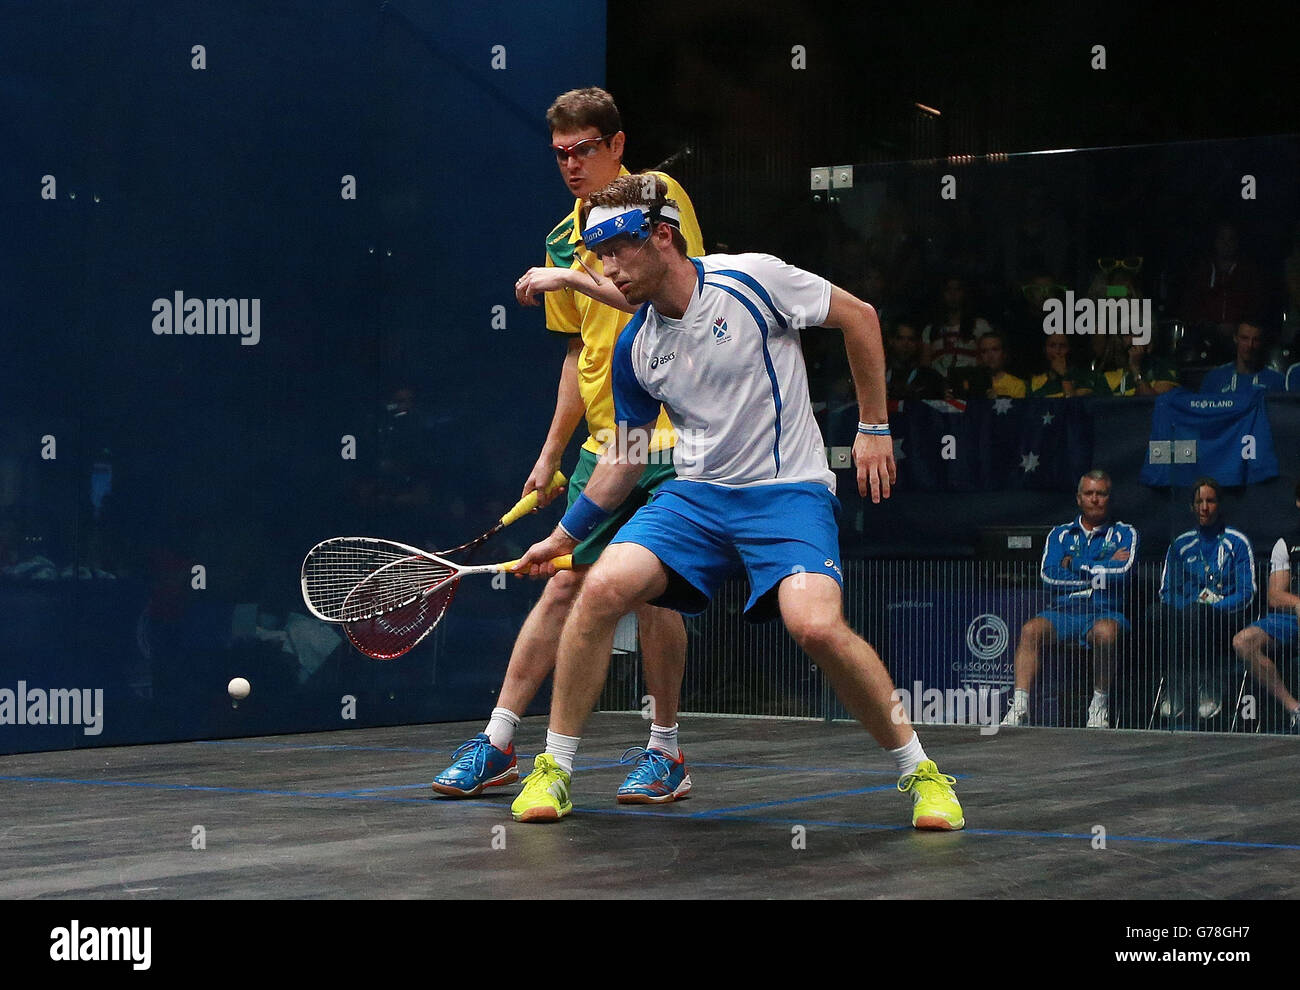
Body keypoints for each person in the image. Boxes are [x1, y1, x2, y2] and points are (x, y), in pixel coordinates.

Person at [507, 174, 964, 829]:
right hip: (696, 499)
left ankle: (922, 773)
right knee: (601, 586)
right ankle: (554, 769)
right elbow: (625, 459)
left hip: (786, 493)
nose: (608, 270)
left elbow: (859, 317)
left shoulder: (752, 280)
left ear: (662, 238)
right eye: (596, 258)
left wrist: (872, 426)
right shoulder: (636, 348)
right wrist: (564, 536)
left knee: (815, 626)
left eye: (617, 253)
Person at [430, 87, 705, 804]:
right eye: (561, 154)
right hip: (602, 444)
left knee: (655, 595)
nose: (572, 165)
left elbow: (667, 298)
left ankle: (665, 750)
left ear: (616, 145)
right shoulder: (561, 236)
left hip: (674, 436)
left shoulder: (658, 202)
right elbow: (577, 356)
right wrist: (549, 456)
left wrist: (567, 275)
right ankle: (497, 742)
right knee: (561, 583)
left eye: (585, 149)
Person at [1002, 471, 1137, 728]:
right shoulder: (1060, 535)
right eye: (1089, 493)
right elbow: (1049, 577)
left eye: (1101, 494)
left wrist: (1073, 563)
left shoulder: (1125, 533)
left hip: (1104, 610)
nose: (1095, 499)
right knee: (1031, 630)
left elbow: (1123, 573)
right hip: (1063, 611)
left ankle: (1099, 707)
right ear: (1078, 499)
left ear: (1110, 498)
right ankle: (1019, 708)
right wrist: (1102, 569)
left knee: (1106, 633)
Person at [1156, 478, 1255, 727]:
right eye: (1199, 502)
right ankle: (1176, 683)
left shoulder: (1237, 542)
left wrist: (1211, 607)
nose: (1204, 507)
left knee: (1198, 616)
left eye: (1210, 501)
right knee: (1157, 614)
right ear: (1191, 507)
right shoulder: (1180, 544)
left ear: (1218, 505)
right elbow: (1167, 591)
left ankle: (1209, 684)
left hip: (1225, 616)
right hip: (1185, 615)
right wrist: (1189, 606)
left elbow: (1247, 592)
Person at [1232, 482, 1300, 733]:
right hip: (1291, 621)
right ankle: (1295, 709)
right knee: (1243, 641)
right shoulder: (1287, 544)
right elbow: (1274, 595)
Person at [1199, 320, 1284, 393]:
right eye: (1244, 338)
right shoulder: (1214, 378)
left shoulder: (1277, 380)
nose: (1250, 345)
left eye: (1256, 340)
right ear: (1235, 338)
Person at [885, 320, 946, 400]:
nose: (905, 344)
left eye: (911, 339)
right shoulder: (877, 376)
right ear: (891, 341)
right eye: (900, 338)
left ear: (918, 343)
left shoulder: (932, 379)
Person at [1030, 334, 1106, 397]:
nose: (1057, 351)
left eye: (1062, 346)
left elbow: (1073, 406)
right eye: (1052, 345)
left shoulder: (1089, 378)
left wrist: (1064, 375)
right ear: (1045, 350)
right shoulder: (1035, 382)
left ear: (1069, 349)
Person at [1107, 339, 1179, 396]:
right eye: (1127, 335)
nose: (1133, 340)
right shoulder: (1109, 375)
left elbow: (1152, 405)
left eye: (1139, 335)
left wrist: (1135, 369)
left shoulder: (1163, 370)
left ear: (1150, 344)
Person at [975, 330, 1026, 398]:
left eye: (995, 350)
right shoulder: (975, 382)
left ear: (1004, 353)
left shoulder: (1017, 384)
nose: (990, 356)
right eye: (984, 351)